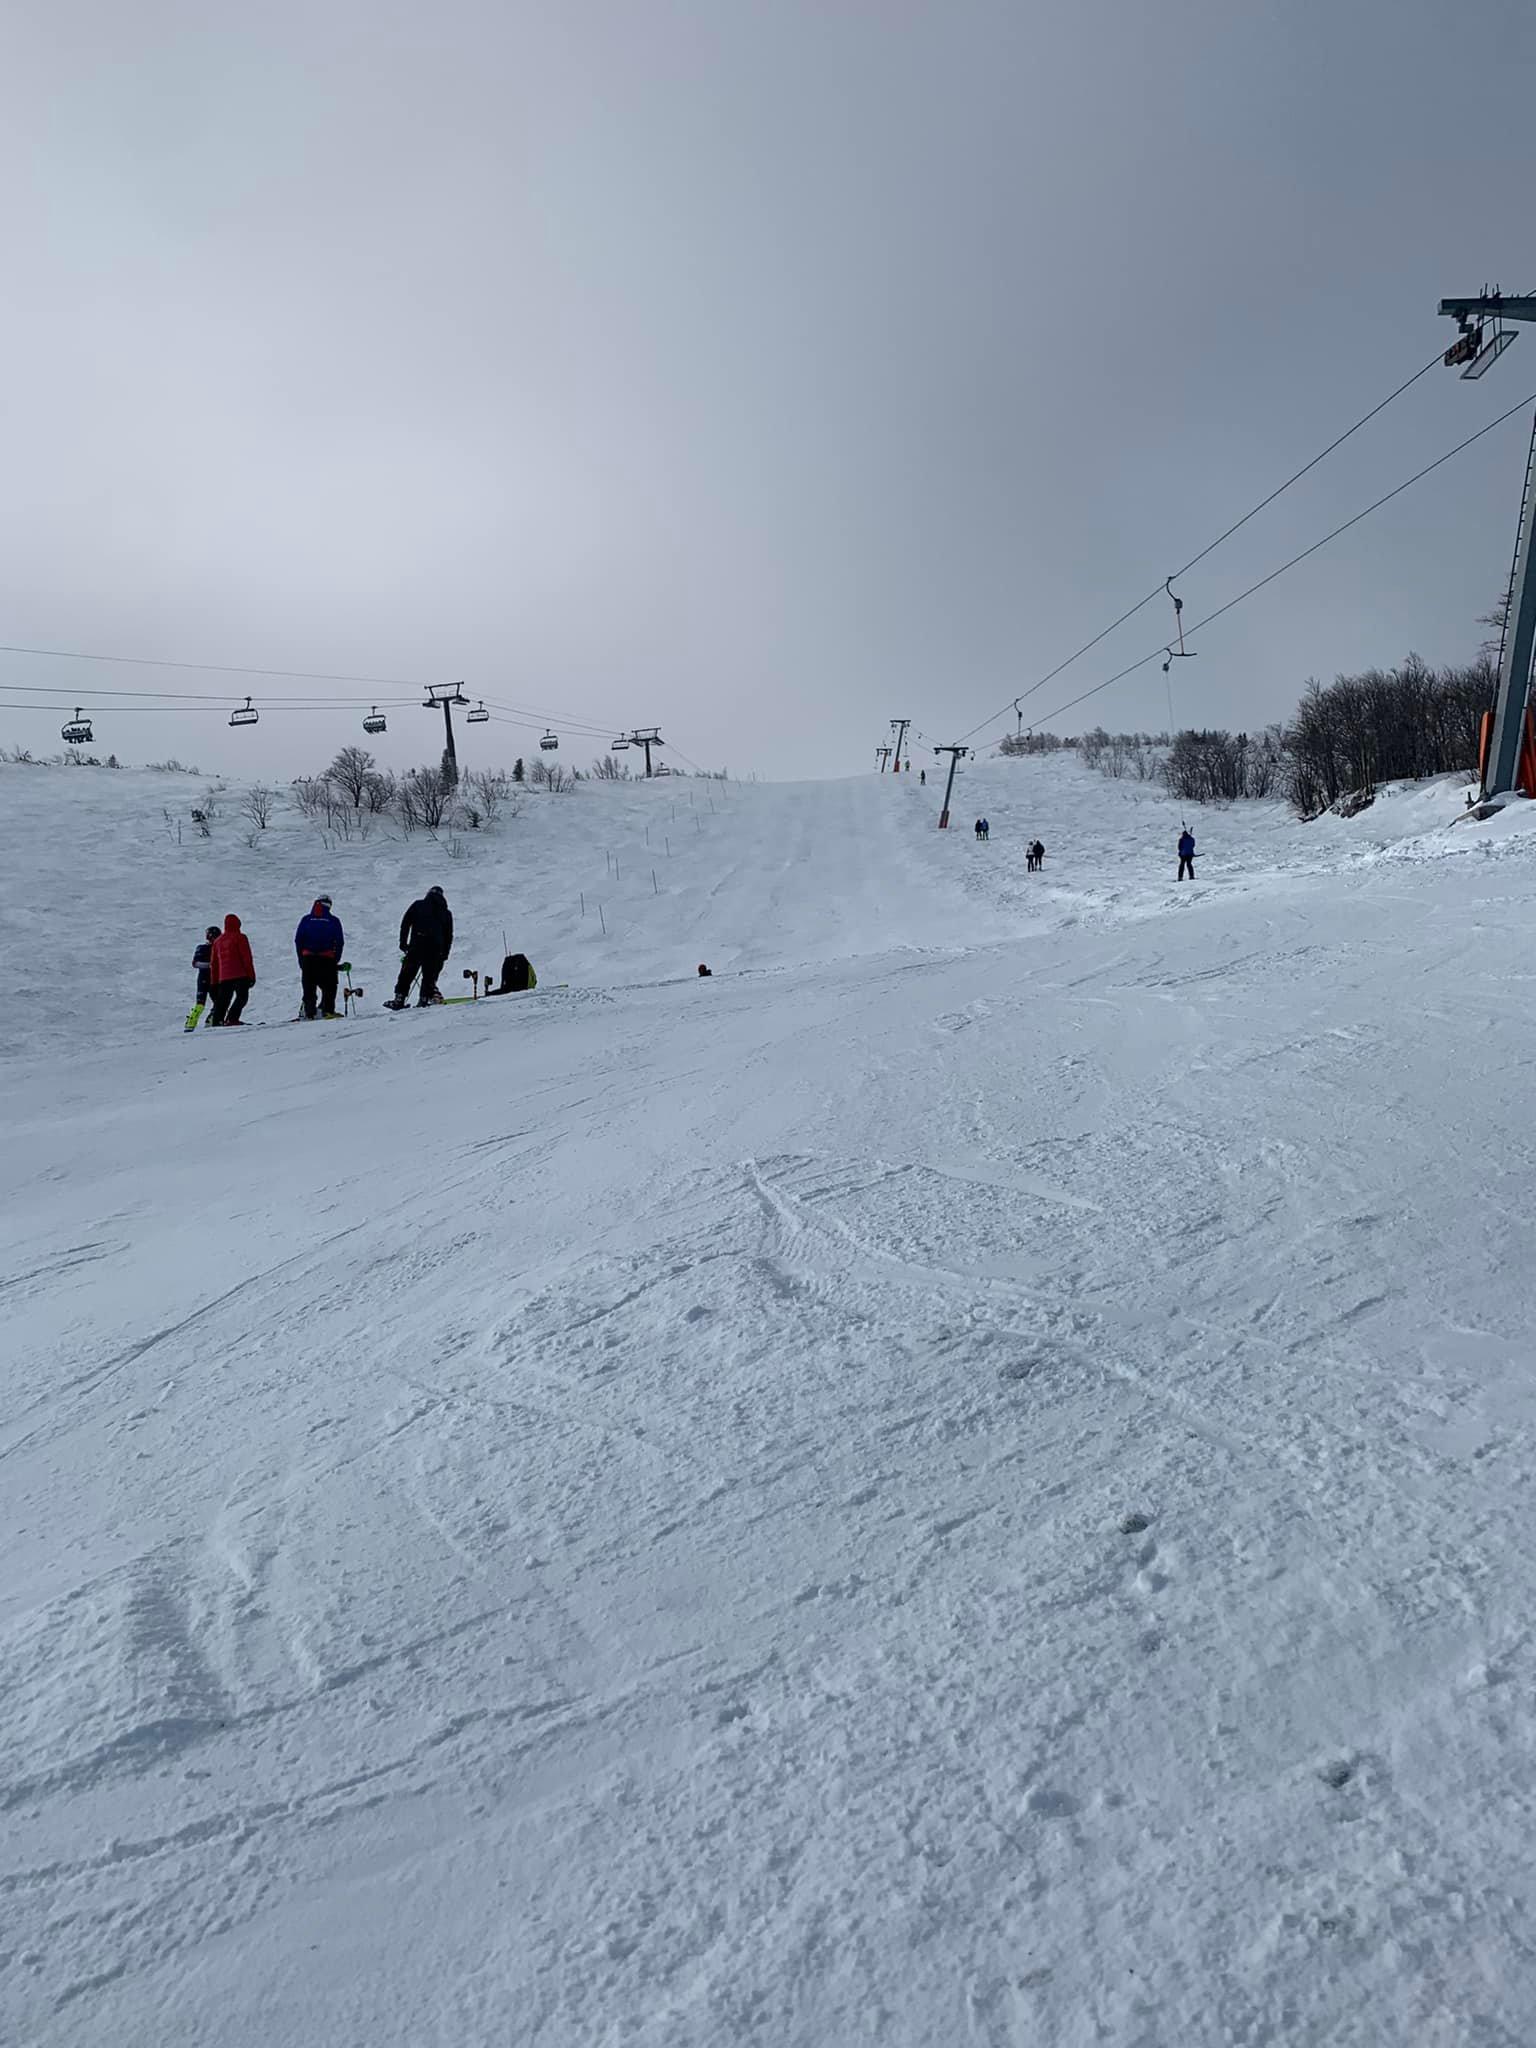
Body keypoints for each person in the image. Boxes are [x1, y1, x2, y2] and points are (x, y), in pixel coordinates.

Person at [388, 886, 453, 1007]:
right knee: (429, 976)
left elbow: (405, 924)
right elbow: (449, 935)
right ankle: (424, 999)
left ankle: (399, 999)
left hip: (417, 944)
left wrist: (403, 943)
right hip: (436, 949)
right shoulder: (446, 913)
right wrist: (445, 954)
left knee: (407, 973)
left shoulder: (418, 905)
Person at [294, 894, 344, 1019]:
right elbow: (339, 941)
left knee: (309, 987)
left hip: (308, 958)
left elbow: (298, 940)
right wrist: (335, 959)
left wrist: (301, 959)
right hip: (327, 959)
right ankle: (328, 1011)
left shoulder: (306, 920)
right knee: (329, 986)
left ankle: (309, 1013)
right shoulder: (333, 921)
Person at [208, 913, 255, 1025]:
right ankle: (232, 1018)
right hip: (240, 974)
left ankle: (217, 1021)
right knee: (242, 997)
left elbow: (214, 964)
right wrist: (251, 975)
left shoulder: (217, 942)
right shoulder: (241, 937)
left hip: (224, 977)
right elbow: (247, 958)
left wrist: (214, 982)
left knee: (223, 1000)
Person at [192, 925, 218, 1006]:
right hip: (207, 978)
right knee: (201, 1003)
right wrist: (211, 965)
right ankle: (193, 1019)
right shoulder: (203, 948)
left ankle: (211, 1018)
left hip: (214, 979)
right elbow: (195, 963)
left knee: (218, 1004)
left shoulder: (218, 948)